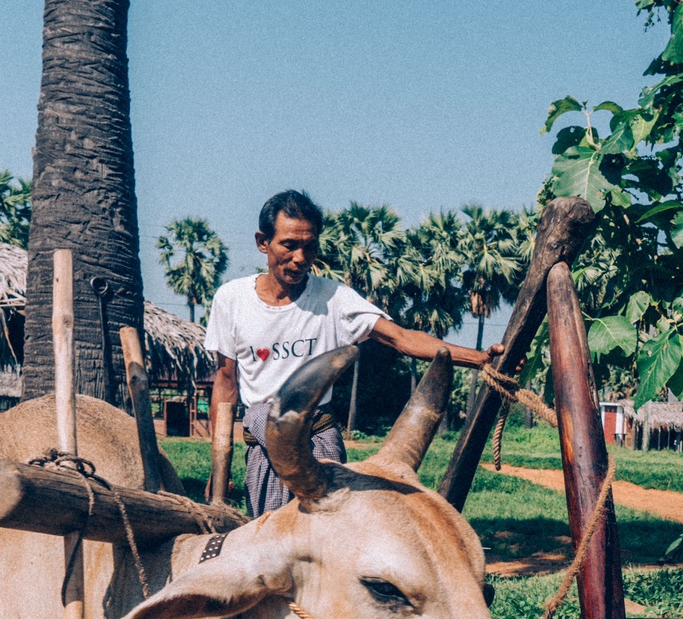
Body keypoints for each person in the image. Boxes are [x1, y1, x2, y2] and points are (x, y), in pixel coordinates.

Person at [204, 190, 499, 515]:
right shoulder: (231, 300)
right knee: (266, 546)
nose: (300, 258)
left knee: (332, 539)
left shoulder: (334, 298)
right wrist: (219, 468)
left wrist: (479, 358)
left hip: (320, 442)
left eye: (310, 246)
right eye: (289, 245)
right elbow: (226, 382)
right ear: (263, 242)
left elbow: (400, 338)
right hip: (263, 446)